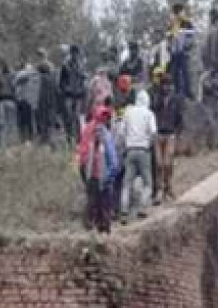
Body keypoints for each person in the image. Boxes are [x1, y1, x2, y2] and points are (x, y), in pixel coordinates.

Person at [78, 106, 119, 234]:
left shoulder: (88, 130)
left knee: (93, 205)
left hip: (93, 175)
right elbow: (113, 161)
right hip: (101, 176)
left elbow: (82, 156)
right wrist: (110, 176)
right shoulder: (104, 133)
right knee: (103, 206)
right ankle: (101, 232)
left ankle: (93, 231)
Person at [120, 89, 157, 222]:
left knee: (127, 183)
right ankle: (142, 208)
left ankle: (124, 211)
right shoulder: (149, 114)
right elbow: (153, 133)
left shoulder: (128, 112)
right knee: (148, 183)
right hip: (143, 150)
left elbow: (121, 132)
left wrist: (125, 144)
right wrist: (149, 145)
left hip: (130, 150)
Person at [153, 77, 184, 204]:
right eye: (164, 85)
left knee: (168, 163)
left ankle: (168, 186)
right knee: (159, 164)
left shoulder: (176, 100)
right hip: (158, 134)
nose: (166, 87)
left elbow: (179, 117)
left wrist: (177, 132)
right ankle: (160, 189)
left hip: (170, 133)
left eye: (168, 85)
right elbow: (153, 112)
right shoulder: (156, 98)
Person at [60, 45, 87, 145]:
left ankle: (79, 140)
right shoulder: (65, 65)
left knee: (76, 118)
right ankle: (69, 139)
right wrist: (65, 88)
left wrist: (83, 90)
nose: (75, 55)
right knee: (68, 117)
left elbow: (84, 80)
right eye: (73, 53)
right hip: (68, 95)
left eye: (77, 53)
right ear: (71, 53)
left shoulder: (81, 65)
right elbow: (61, 82)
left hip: (78, 95)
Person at [36, 57, 59, 145]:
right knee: (50, 123)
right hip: (51, 104)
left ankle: (46, 141)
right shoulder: (53, 79)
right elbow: (57, 91)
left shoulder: (39, 78)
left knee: (43, 123)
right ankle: (51, 142)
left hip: (42, 104)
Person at [202, 10, 218, 84]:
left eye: (211, 16)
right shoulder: (212, 28)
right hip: (211, 58)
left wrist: (214, 58)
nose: (210, 19)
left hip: (217, 58)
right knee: (214, 76)